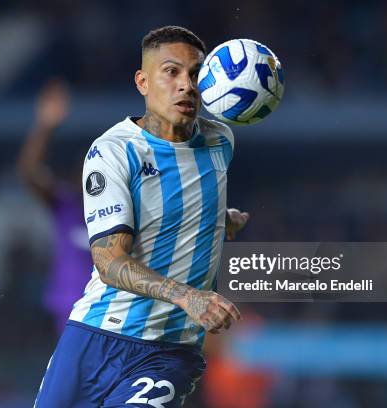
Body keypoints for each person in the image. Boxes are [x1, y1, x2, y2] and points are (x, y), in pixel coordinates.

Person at [34, 26, 250, 408]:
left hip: (169, 351)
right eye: (172, 72)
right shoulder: (113, 152)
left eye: (196, 73)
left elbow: (189, 196)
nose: (186, 85)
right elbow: (109, 261)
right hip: (93, 337)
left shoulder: (220, 142)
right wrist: (188, 297)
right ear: (143, 82)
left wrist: (217, 218)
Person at [18, 81, 92, 333]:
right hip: (70, 310)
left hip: (111, 314)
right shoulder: (65, 204)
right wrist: (44, 126)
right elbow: (29, 172)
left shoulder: (122, 211)